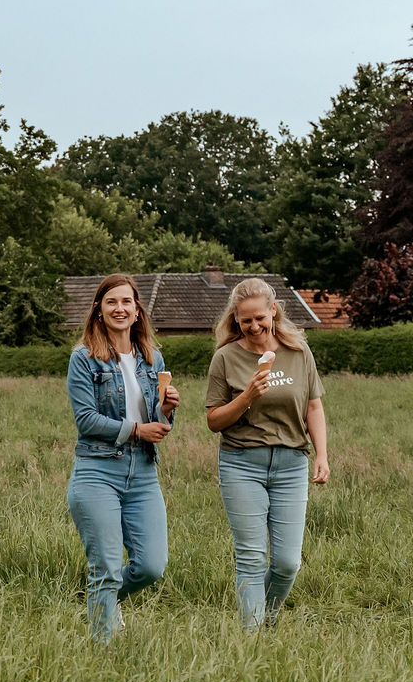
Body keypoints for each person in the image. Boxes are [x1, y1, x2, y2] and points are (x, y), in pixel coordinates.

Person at [204, 277, 330, 630]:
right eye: (246, 321)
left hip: (291, 463)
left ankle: (266, 617)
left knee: (288, 562)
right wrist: (246, 397)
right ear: (236, 320)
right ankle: (252, 638)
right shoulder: (225, 358)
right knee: (252, 557)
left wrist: (321, 455)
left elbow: (313, 407)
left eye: (260, 317)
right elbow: (214, 420)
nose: (254, 326)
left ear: (273, 311)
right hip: (242, 464)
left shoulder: (298, 352)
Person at [65, 274, 181, 642]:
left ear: (136, 311)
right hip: (98, 470)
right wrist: (135, 430)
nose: (119, 308)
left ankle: (103, 599)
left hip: (143, 471)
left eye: (126, 302)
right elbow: (85, 419)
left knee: (151, 566)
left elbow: (156, 422)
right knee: (107, 567)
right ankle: (103, 654)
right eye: (111, 302)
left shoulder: (152, 358)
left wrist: (165, 410)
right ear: (99, 310)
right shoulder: (83, 358)